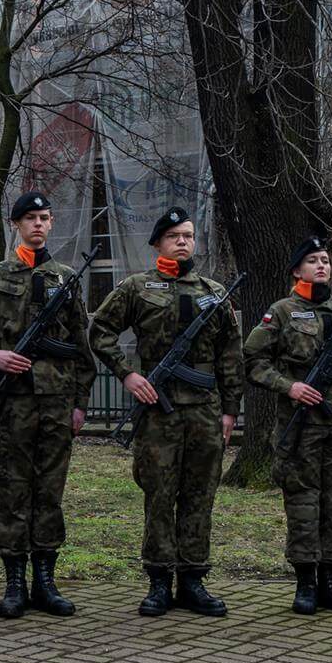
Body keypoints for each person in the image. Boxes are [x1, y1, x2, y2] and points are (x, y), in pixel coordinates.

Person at [90, 206, 243, 618]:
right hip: (158, 411)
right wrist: (126, 375)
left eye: (189, 236)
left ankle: (193, 579)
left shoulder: (214, 292)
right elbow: (100, 332)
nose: (183, 242)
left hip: (205, 412)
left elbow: (231, 354)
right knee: (159, 495)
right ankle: (159, 580)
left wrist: (230, 410)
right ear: (157, 242)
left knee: (200, 494)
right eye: (174, 235)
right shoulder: (136, 288)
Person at [0, 192, 95, 619]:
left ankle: (46, 581)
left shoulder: (67, 278)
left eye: (46, 218)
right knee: (13, 491)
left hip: (56, 404)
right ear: (17, 224)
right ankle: (15, 582)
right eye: (31, 218)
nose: (39, 224)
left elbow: (80, 345)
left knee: (49, 493)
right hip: (12, 403)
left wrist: (80, 404)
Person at [243, 237, 332, 616]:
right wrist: (290, 386)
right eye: (313, 261)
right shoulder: (282, 312)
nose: (322, 266)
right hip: (302, 427)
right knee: (303, 503)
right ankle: (305, 584)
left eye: (326, 260)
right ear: (296, 270)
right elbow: (252, 360)